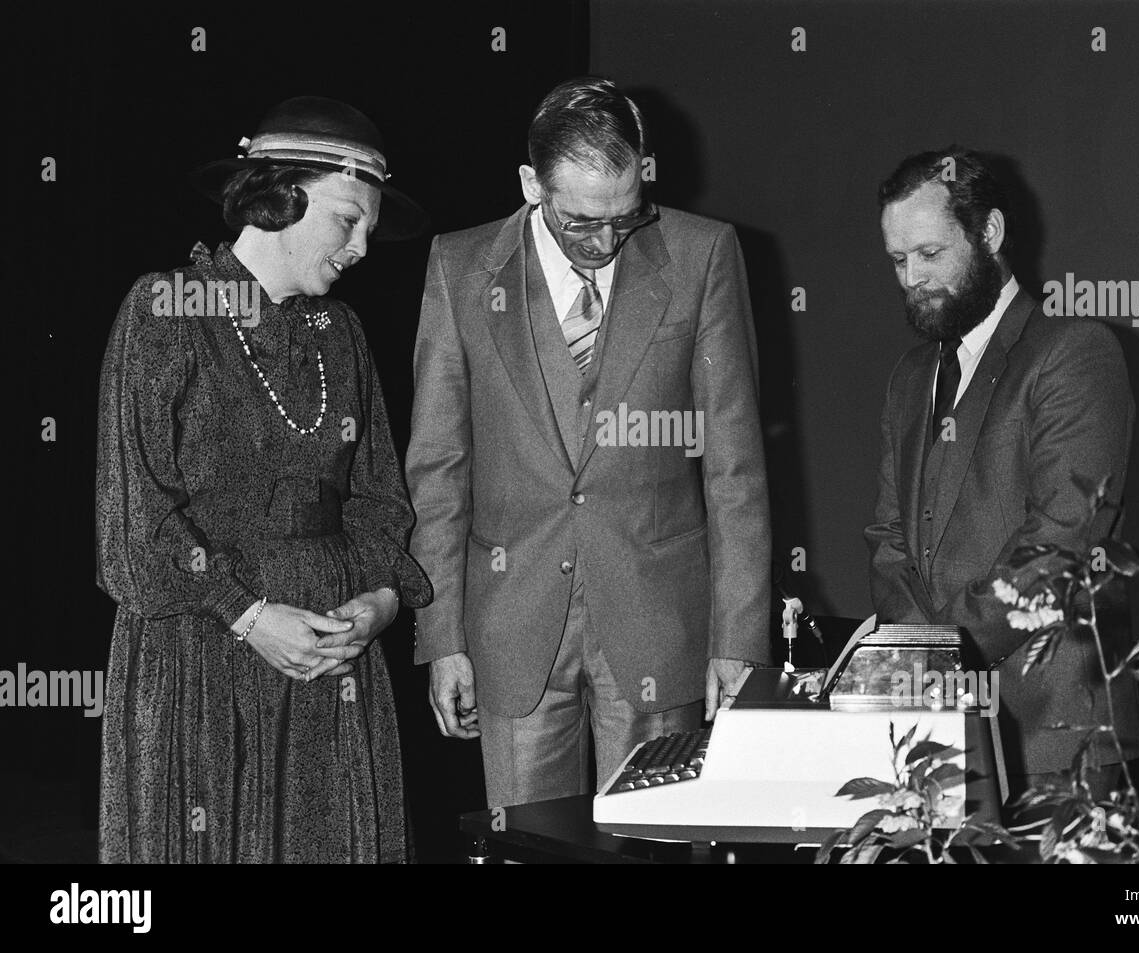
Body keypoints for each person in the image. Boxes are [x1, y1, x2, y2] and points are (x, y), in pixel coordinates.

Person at [407, 77, 771, 808]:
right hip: (509, 631)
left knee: (651, 845)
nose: (605, 244)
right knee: (524, 849)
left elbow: (735, 467)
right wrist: (440, 633)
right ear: (528, 184)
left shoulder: (704, 255)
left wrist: (739, 640)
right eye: (580, 222)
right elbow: (439, 469)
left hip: (659, 626)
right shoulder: (458, 267)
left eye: (625, 218)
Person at [95, 97, 432, 862]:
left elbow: (382, 501)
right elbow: (133, 523)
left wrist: (377, 606)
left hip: (330, 668)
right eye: (349, 219)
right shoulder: (165, 310)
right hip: (201, 662)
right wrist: (249, 616)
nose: (361, 248)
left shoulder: (339, 332)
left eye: (370, 230)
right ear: (280, 196)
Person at [863, 147, 1139, 804]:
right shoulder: (910, 376)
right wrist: (924, 669)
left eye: (930, 254)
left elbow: (1058, 543)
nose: (912, 278)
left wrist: (940, 660)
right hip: (935, 739)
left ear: (988, 233)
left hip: (1055, 738)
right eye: (899, 261)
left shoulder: (1074, 351)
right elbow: (888, 535)